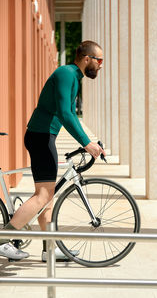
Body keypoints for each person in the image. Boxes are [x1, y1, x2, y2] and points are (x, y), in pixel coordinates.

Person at [0, 40, 105, 261]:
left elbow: (71, 116)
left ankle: (49, 249)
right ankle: (3, 239)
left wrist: (87, 140)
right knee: (43, 196)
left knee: (48, 198)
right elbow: (65, 114)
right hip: (41, 136)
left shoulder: (74, 77)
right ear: (87, 59)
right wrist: (87, 143)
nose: (101, 65)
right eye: (100, 60)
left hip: (44, 136)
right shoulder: (67, 74)